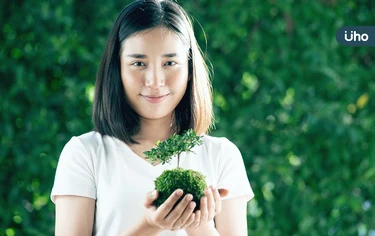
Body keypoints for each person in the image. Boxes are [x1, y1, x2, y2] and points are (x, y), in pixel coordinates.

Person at [50, 0, 254, 235]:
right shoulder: (85, 153)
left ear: (189, 69)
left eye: (170, 63)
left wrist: (198, 223)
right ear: (117, 70)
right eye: (138, 63)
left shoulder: (221, 156)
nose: (155, 81)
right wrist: (150, 225)